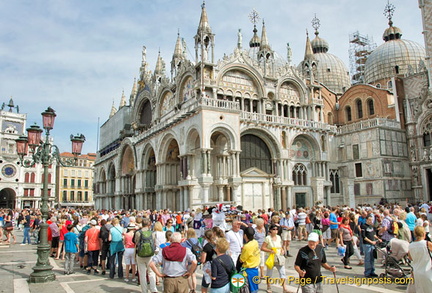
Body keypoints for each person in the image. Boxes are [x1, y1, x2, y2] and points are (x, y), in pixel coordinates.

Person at [261, 224, 288, 293]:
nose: (275, 231)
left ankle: (284, 288)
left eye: (276, 229)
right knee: (269, 273)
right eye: (274, 229)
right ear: (270, 230)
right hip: (270, 256)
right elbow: (263, 248)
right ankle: (269, 286)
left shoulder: (278, 237)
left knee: (282, 272)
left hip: (278, 256)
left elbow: (280, 245)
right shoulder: (268, 238)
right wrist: (270, 250)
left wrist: (282, 249)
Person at [407, 226, 432, 293]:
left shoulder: (410, 245)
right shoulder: (427, 244)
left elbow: (410, 258)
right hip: (427, 271)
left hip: (416, 272)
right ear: (424, 234)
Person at [181, 229, 200, 293]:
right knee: (194, 275)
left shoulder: (187, 242)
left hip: (189, 260)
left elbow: (182, 247)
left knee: (188, 275)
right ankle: (194, 288)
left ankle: (191, 289)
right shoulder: (197, 241)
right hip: (196, 259)